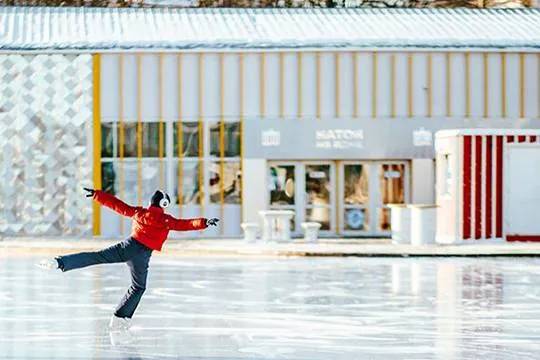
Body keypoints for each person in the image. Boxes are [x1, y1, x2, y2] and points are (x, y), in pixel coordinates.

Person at [39, 188, 219, 330]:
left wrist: (97, 195)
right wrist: (205, 222)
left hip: (127, 247)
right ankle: (119, 318)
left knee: (97, 256)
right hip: (141, 256)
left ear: (151, 202)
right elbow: (185, 224)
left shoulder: (138, 212)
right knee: (138, 287)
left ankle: (60, 262)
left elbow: (117, 205)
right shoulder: (166, 220)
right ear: (164, 203)